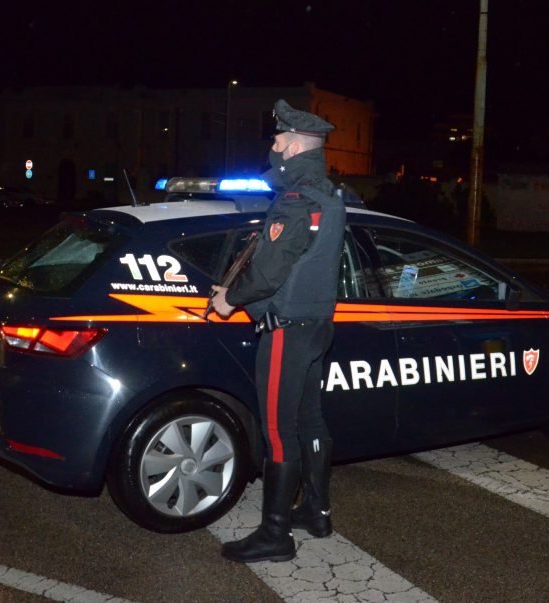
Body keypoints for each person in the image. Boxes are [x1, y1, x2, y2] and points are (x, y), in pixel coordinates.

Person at [210, 99, 346, 562]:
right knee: (310, 421)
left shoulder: (294, 201)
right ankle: (317, 511)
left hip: (286, 330)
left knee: (277, 430)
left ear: (292, 145)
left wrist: (228, 300)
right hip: (316, 327)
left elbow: (268, 272)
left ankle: (275, 534)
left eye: (277, 138)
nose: (272, 145)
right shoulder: (328, 195)